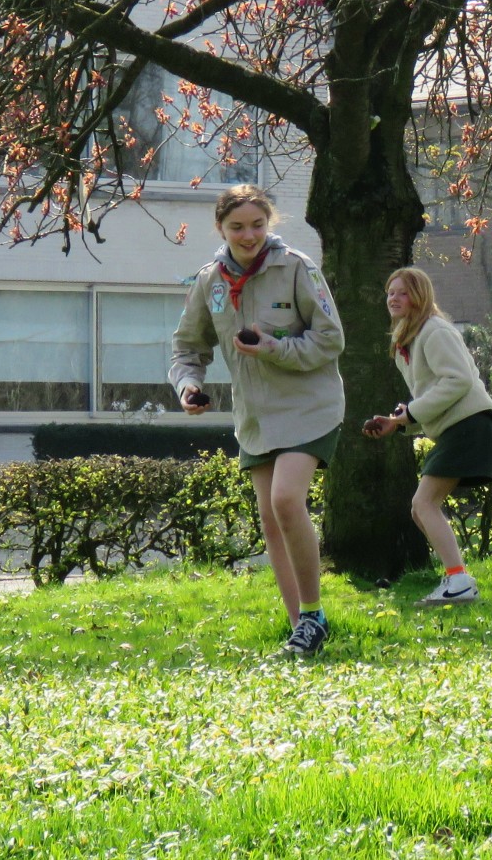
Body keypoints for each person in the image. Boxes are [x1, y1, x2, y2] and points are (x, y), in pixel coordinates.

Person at [169, 184, 346, 656]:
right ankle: (302, 629)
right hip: (256, 417)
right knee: (270, 518)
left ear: (270, 224)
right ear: (221, 229)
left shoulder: (297, 268)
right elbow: (188, 350)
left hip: (309, 407)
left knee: (287, 501)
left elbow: (330, 341)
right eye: (237, 227)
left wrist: (273, 347)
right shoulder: (209, 281)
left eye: (257, 225)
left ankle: (313, 614)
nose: (248, 235)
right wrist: (187, 387)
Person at [361, 267, 492, 606]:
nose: (393, 298)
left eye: (402, 293)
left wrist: (409, 413)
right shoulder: (410, 337)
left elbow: (458, 381)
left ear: (420, 297)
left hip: (468, 424)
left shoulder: (434, 331)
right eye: (390, 292)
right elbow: (437, 390)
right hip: (459, 425)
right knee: (420, 508)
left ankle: (459, 580)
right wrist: (400, 420)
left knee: (424, 504)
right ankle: (456, 577)